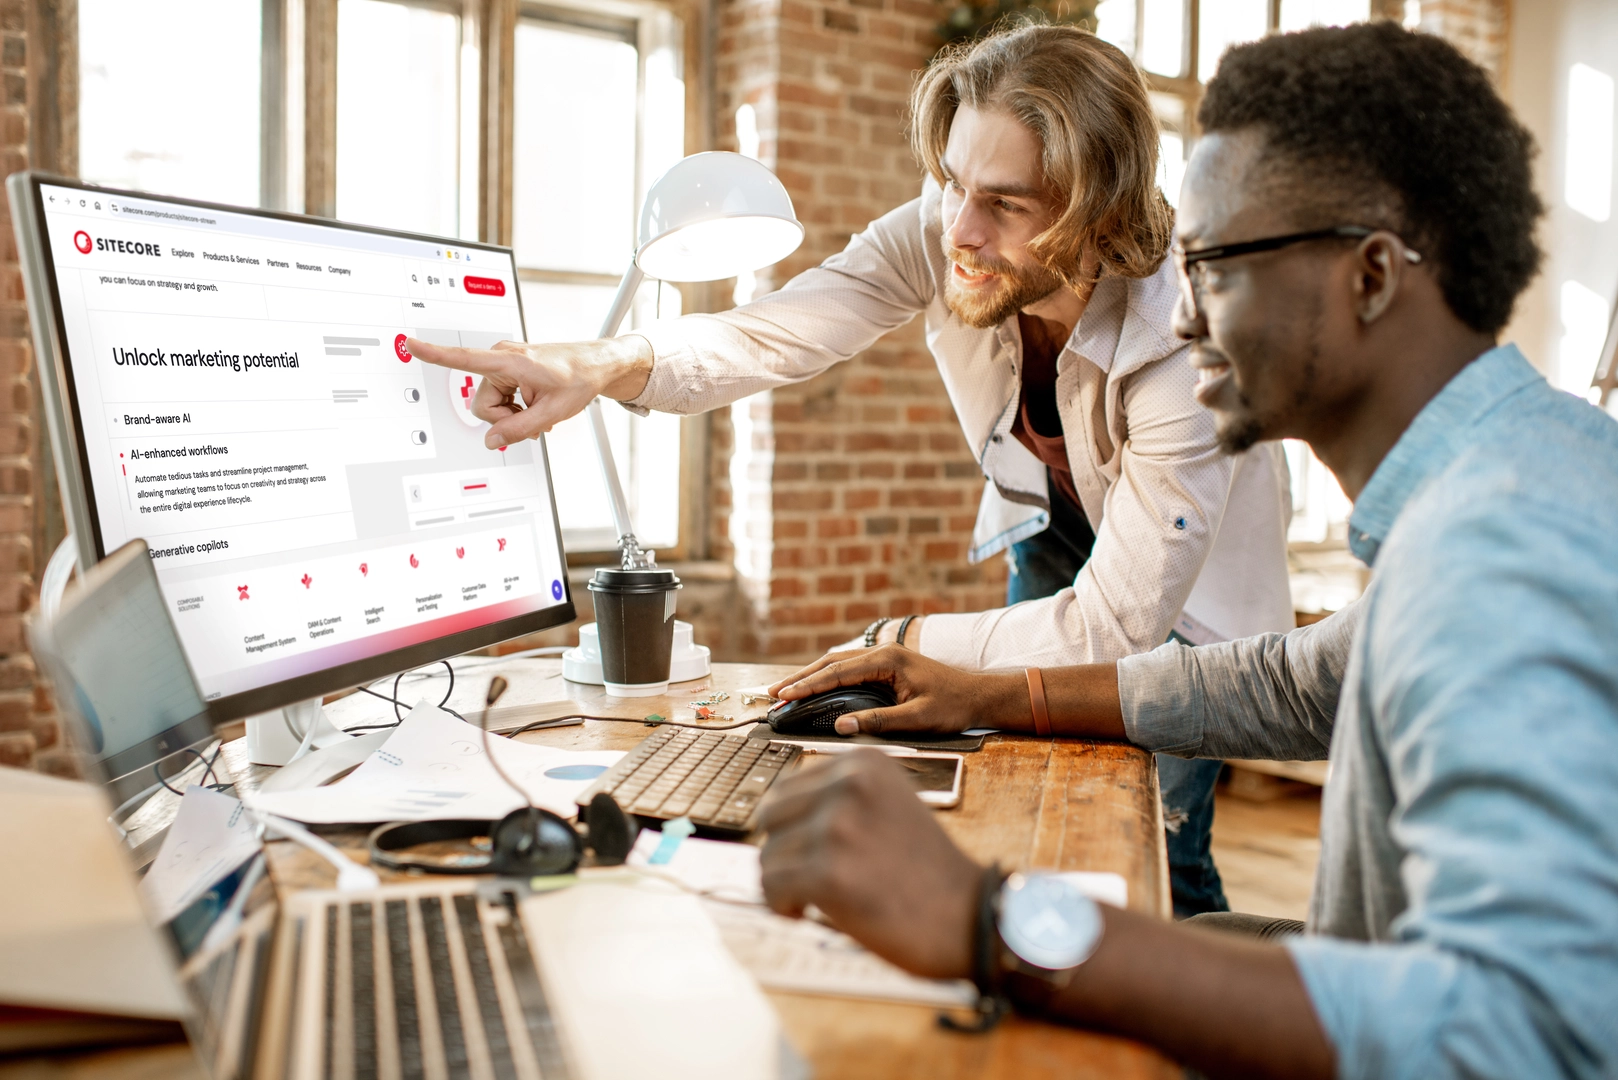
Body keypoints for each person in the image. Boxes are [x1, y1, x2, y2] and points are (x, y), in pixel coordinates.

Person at [754, 22, 1618, 1080]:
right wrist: (987, 691)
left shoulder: (1503, 548)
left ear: (1371, 276)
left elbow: (1528, 1034)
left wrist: (988, 917)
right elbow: (1301, 681)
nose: (1181, 316)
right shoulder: (1508, 478)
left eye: (1212, 262)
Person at [410, 24, 1295, 916]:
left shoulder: (1185, 336)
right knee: (1032, 773)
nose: (959, 229)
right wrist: (601, 364)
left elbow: (1115, 629)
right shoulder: (948, 224)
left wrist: (896, 640)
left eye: (1006, 204)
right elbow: (781, 328)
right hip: (1055, 527)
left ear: (1095, 208)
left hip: (1185, 596)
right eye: (952, 181)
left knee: (1154, 823)